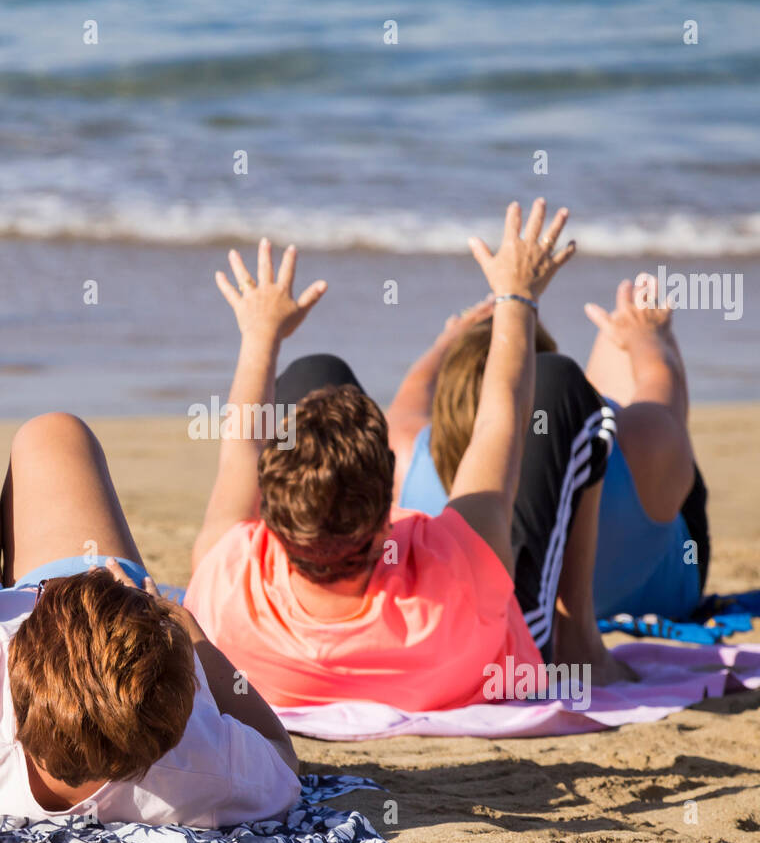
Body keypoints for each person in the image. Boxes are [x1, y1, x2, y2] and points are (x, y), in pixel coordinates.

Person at [0, 153, 300, 827]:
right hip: (91, 694)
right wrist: (186, 631)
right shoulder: (193, 767)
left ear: (17, 645)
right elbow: (281, 755)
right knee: (54, 435)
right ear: (174, 708)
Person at [185, 200, 633, 713]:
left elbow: (243, 443)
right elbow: (501, 418)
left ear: (271, 516)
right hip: (486, 654)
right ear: (389, 512)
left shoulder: (226, 574)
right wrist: (517, 295)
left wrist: (260, 332)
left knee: (316, 372)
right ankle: (582, 644)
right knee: (558, 383)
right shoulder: (466, 567)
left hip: (285, 665)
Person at [390, 274, 709, 624]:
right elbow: (663, 382)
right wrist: (649, 337)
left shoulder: (405, 455)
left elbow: (416, 386)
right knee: (620, 336)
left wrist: (449, 339)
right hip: (655, 599)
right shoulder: (648, 440)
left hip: (508, 608)